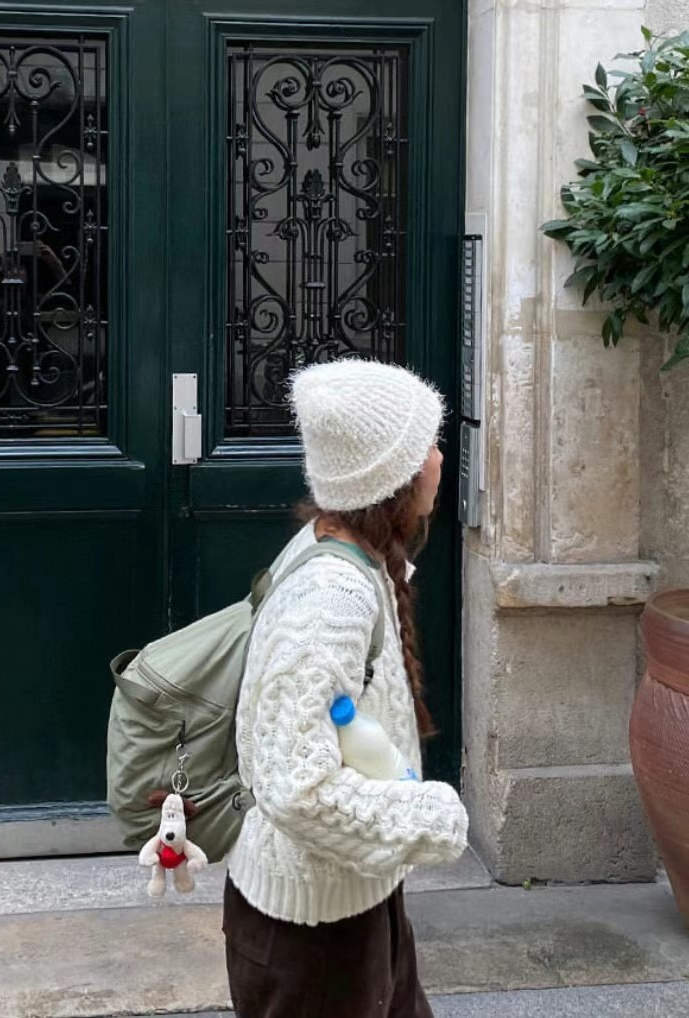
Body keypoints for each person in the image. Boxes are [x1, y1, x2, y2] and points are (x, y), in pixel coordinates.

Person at [223, 358, 470, 1018]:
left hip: (353, 899)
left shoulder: (350, 554)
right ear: (392, 478)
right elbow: (296, 786)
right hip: (312, 939)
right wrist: (430, 817)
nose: (439, 459)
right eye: (427, 446)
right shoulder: (331, 597)